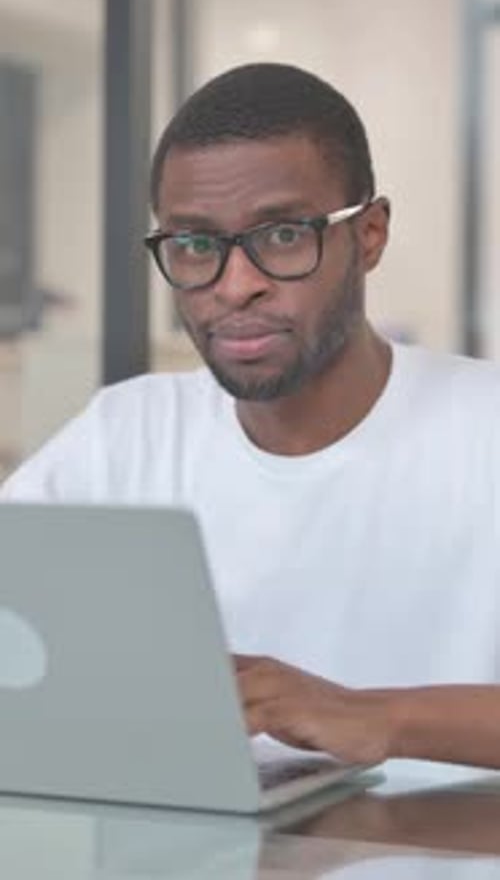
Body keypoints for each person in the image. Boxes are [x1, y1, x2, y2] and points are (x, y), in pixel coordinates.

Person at [2, 63, 500, 776]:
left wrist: (375, 717)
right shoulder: (125, 435)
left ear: (369, 234)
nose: (236, 286)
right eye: (197, 246)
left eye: (283, 236)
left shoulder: (486, 430)